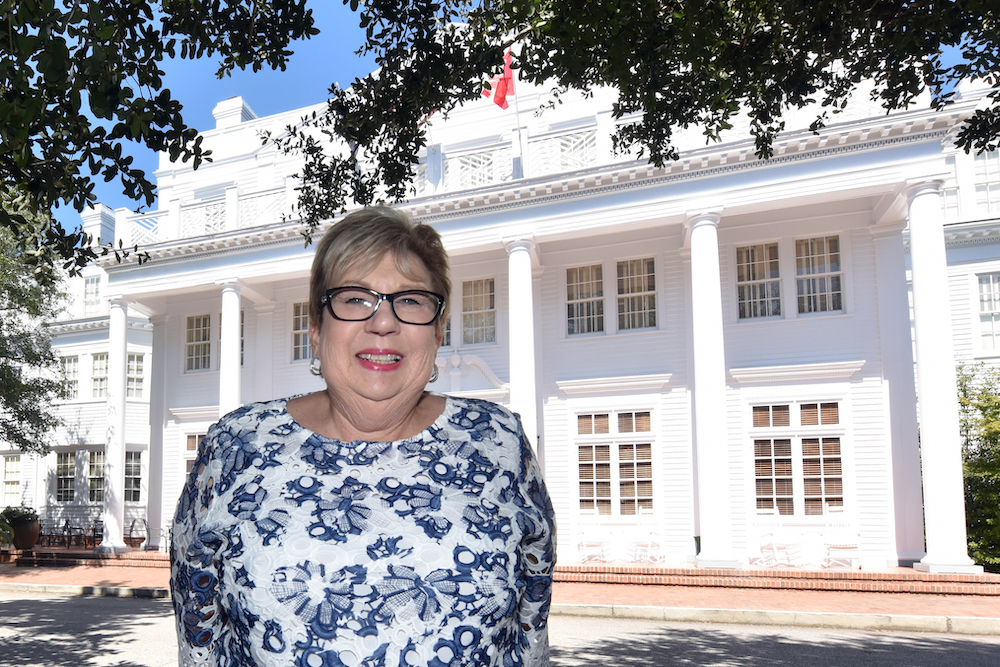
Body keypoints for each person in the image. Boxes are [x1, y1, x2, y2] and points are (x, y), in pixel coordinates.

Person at [170, 207, 555, 667]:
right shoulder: (236, 445)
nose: (383, 322)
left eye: (410, 300)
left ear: (437, 333)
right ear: (315, 330)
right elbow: (198, 630)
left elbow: (530, 626)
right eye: (355, 299)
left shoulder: (499, 441)